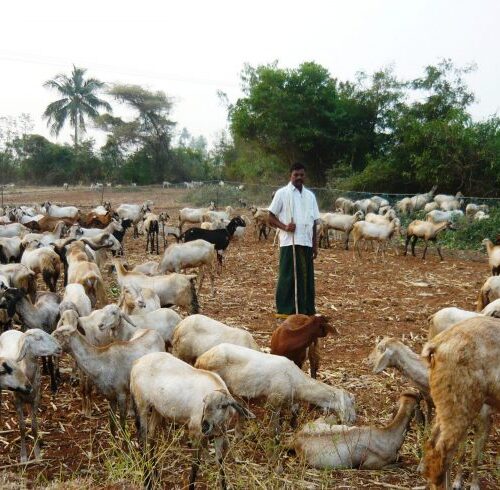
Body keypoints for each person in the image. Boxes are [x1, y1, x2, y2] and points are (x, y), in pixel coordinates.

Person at [268, 163, 320, 317]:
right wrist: (284, 226)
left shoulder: (310, 196)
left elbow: (314, 222)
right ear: (290, 175)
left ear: (305, 176)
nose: (299, 178)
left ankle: (305, 310)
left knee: (306, 277)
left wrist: (315, 245)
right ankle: (286, 310)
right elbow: (270, 217)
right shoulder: (282, 193)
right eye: (296, 175)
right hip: (289, 243)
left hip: (306, 242)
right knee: (289, 276)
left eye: (301, 175)